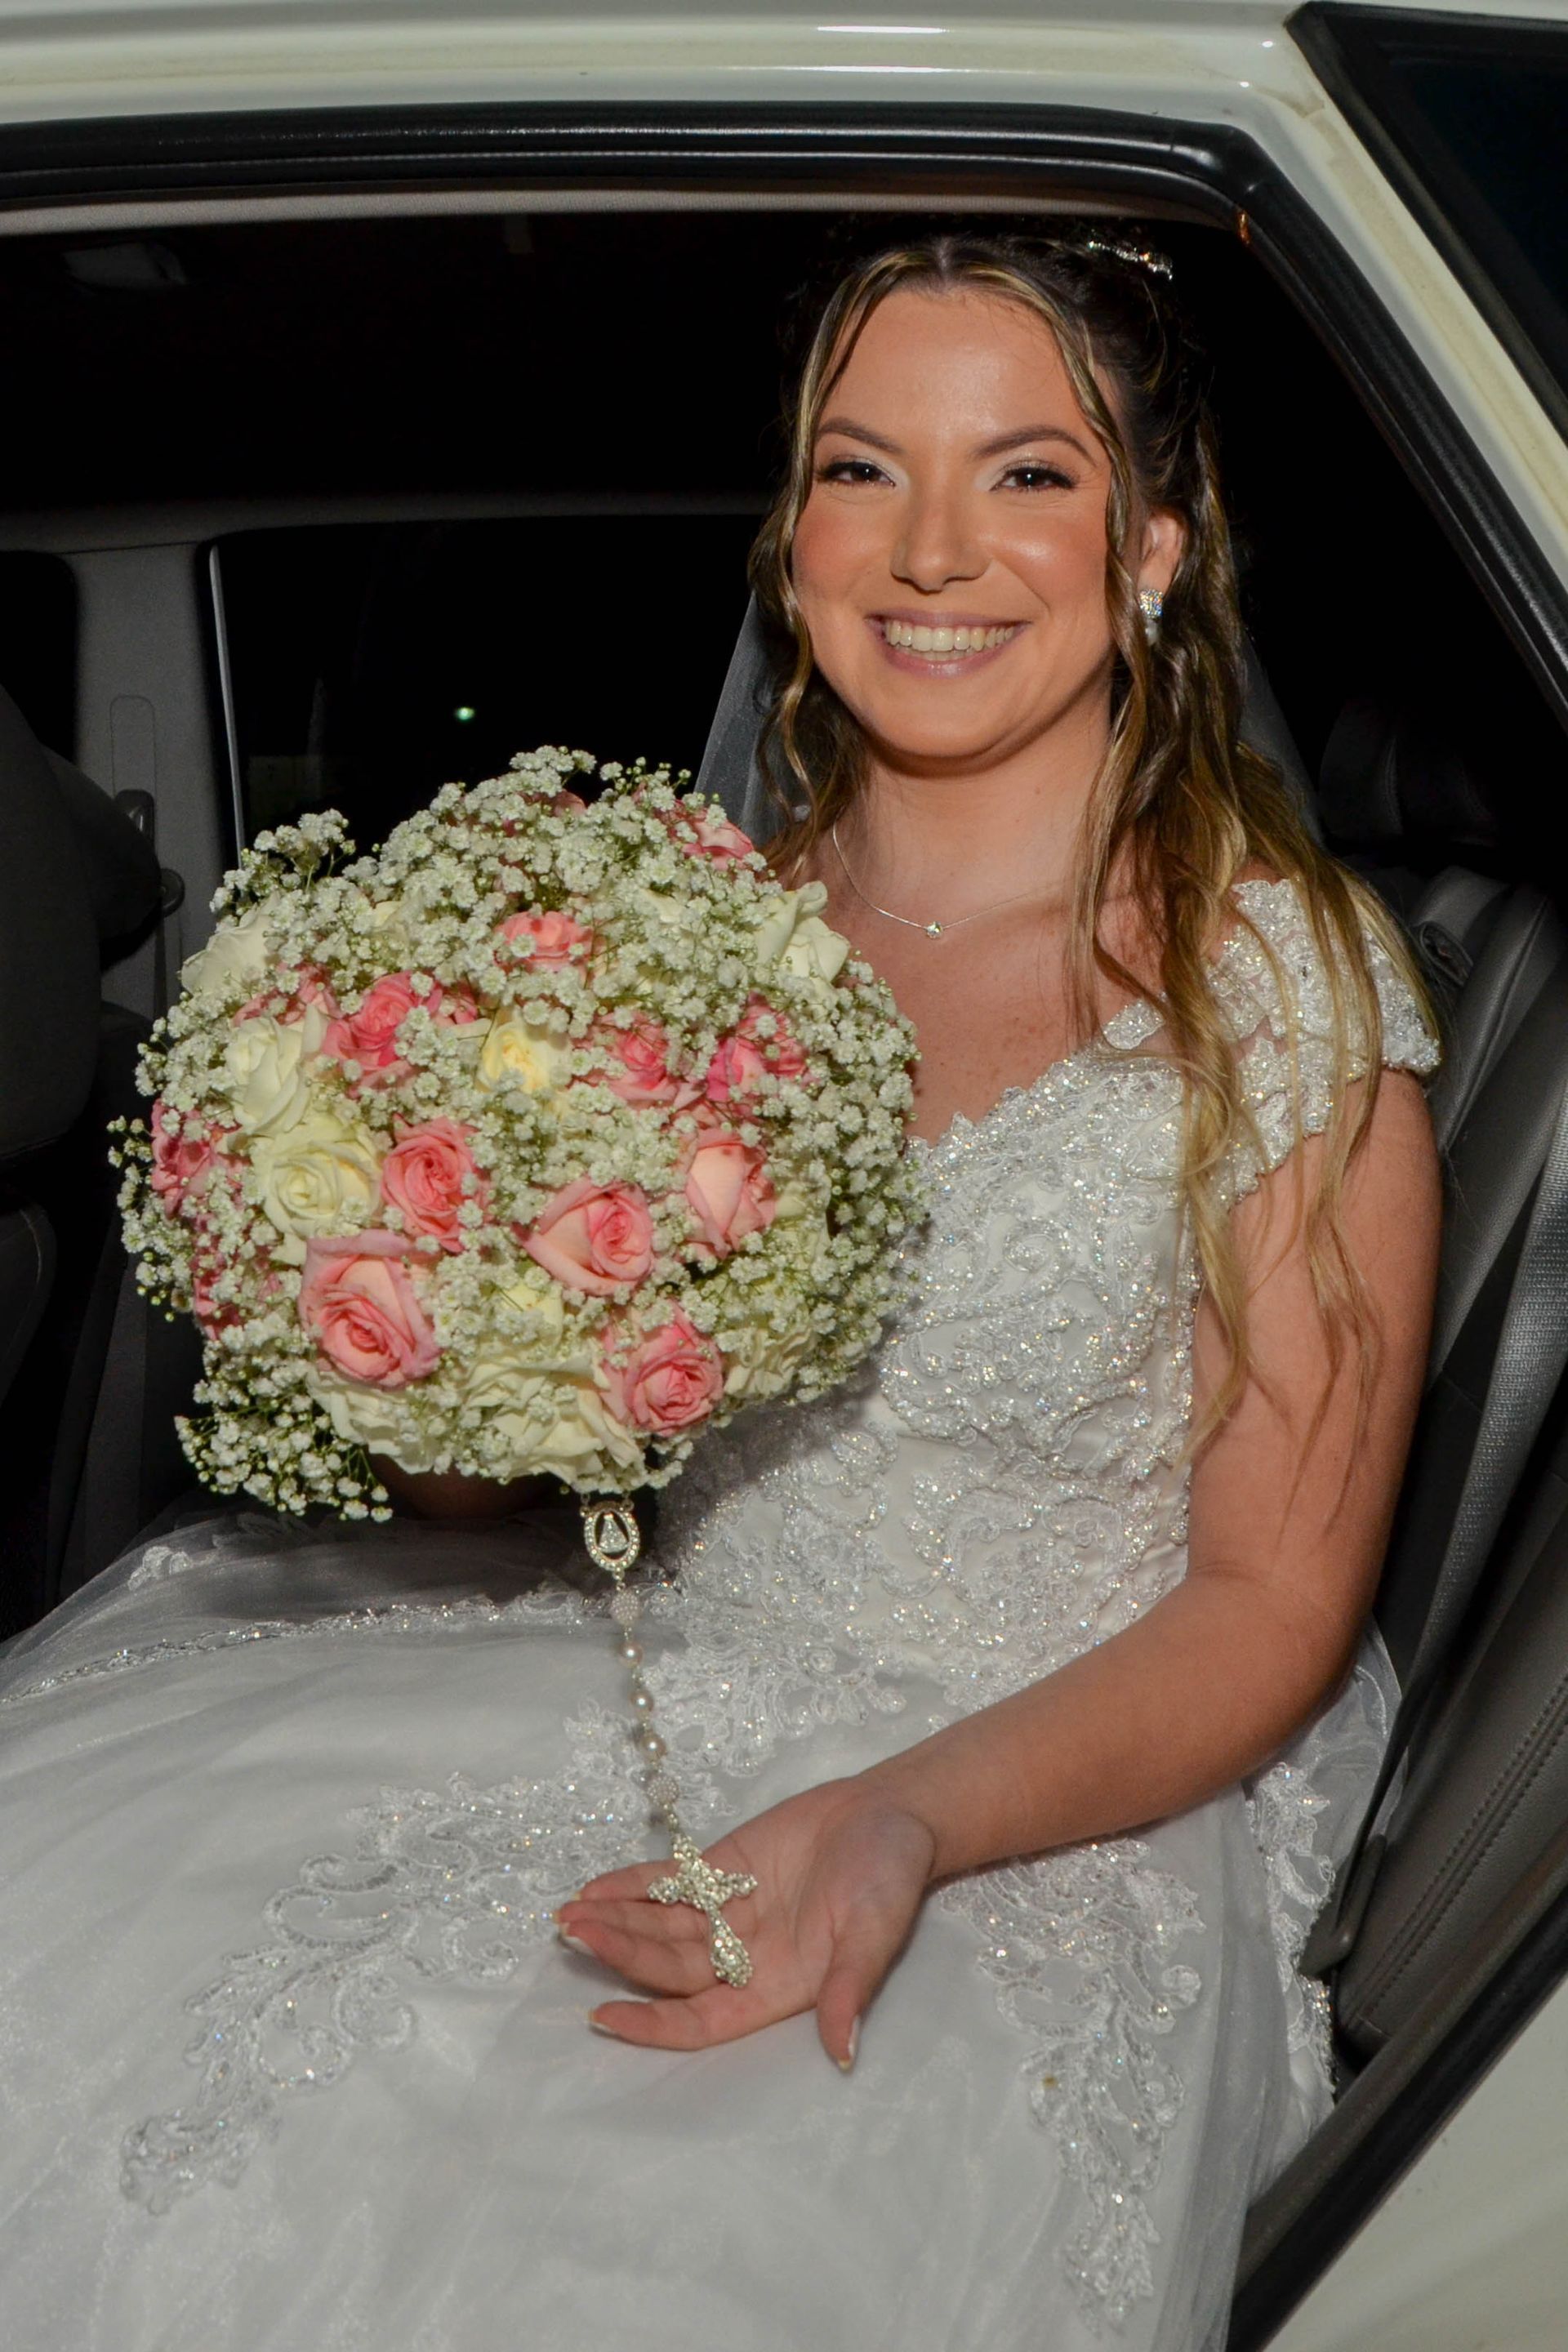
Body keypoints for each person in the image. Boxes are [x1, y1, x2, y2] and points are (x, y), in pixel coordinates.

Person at [0, 231, 1440, 2352]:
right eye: (865, 471)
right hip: (638, 1655)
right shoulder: (663, 944)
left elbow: (1269, 1604)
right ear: (793, 538)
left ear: (1153, 542)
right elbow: (539, 1485)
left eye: (1024, 475)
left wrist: (903, 1824)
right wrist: (438, 1370)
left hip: (1033, 1780)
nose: (936, 548)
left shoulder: (1278, 991)